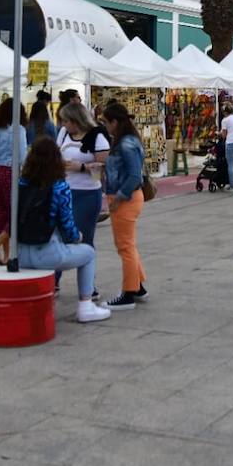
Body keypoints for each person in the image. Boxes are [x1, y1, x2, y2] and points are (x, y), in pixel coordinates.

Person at [16, 136, 111, 323]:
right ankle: (85, 305)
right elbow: (67, 226)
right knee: (88, 253)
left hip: (21, 253)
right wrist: (77, 237)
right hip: (47, 252)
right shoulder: (60, 187)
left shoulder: (21, 185)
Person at [54, 101, 111, 296]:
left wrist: (80, 167)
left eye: (66, 121)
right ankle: (54, 281)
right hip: (64, 190)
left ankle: (88, 286)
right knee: (59, 236)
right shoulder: (63, 134)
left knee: (84, 238)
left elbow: (103, 169)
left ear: (76, 120)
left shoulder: (98, 136)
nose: (63, 125)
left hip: (87, 192)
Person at [101, 101, 147, 311]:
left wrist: (118, 198)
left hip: (125, 199)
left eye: (106, 122)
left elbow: (134, 175)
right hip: (127, 198)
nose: (105, 126)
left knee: (125, 247)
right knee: (128, 245)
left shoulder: (126, 143)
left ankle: (128, 293)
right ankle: (136, 286)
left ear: (115, 122)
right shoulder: (127, 141)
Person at [0, 98, 27, 266]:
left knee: (1, 213)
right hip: (11, 172)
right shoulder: (19, 130)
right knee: (16, 213)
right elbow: (22, 156)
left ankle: (7, 255)